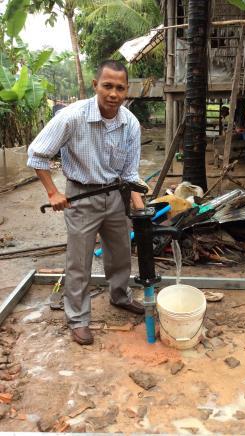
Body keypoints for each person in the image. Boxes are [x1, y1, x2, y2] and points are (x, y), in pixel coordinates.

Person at [27, 60, 145, 346]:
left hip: (117, 196)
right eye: (107, 86)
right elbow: (36, 154)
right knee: (79, 261)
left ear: (127, 90)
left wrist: (140, 207)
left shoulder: (130, 123)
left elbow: (130, 172)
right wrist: (53, 192)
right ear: (96, 85)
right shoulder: (72, 117)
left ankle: (119, 295)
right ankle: (78, 318)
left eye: (119, 88)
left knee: (120, 253)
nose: (113, 94)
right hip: (80, 196)